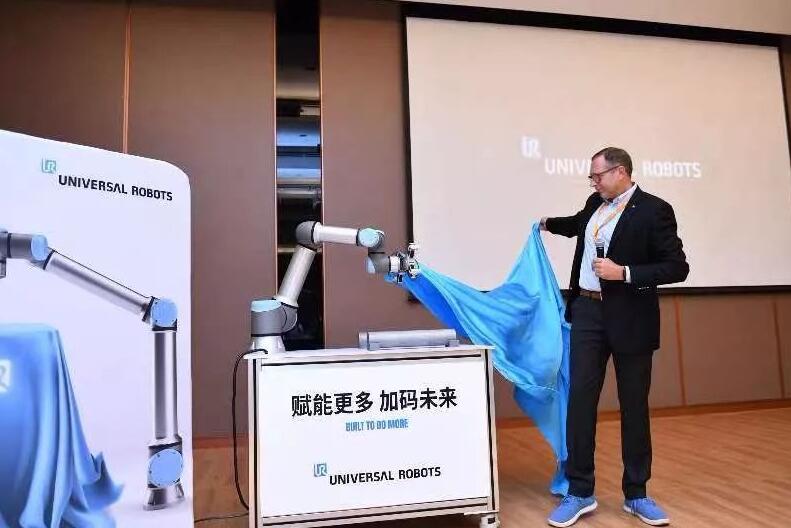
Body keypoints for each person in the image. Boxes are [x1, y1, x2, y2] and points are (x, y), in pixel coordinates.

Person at [541, 147, 689, 527]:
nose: (593, 182)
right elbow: (576, 224)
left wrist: (624, 273)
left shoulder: (654, 210)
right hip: (588, 314)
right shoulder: (596, 203)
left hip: (631, 317)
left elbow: (677, 267)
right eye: (592, 177)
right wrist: (544, 223)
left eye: (597, 175)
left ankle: (636, 494)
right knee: (580, 402)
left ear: (620, 172)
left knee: (633, 405)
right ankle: (579, 491)